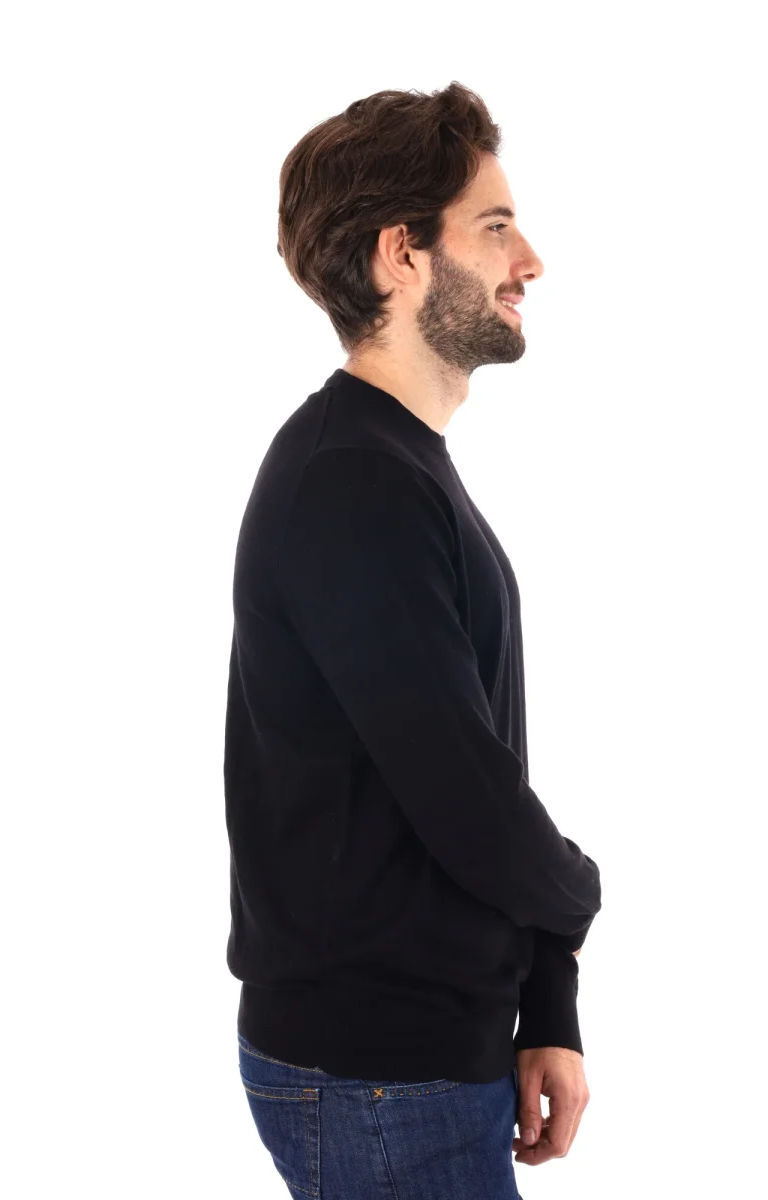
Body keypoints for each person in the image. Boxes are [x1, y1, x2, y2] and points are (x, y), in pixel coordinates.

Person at [224, 80, 602, 1199]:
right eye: (494, 227)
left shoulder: (395, 464)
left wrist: (547, 1001)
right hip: (379, 1077)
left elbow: (477, 757)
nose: (529, 260)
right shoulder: (353, 482)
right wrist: (581, 894)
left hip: (424, 1063)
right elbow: (468, 799)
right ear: (403, 255)